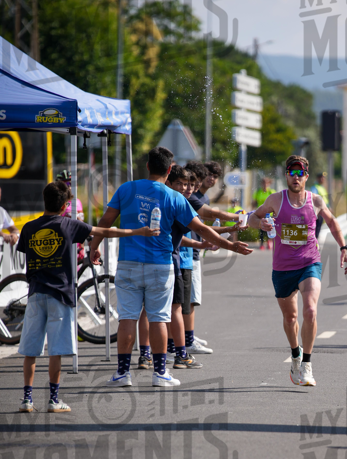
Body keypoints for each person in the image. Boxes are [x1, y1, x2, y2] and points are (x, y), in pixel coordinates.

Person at [90, 147, 252, 390]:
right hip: (160, 265)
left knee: (127, 318)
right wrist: (231, 245)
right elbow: (202, 228)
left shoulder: (126, 189)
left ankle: (123, 373)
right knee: (159, 319)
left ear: (147, 166)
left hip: (128, 264)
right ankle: (160, 373)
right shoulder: (174, 197)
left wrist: (95, 247)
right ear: (169, 170)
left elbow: (105, 222)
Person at [15, 182, 158, 413]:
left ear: (45, 200)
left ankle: (27, 399)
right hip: (60, 294)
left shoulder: (29, 228)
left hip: (35, 293)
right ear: (65, 205)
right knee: (56, 351)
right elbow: (106, 231)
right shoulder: (68, 224)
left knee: (31, 351)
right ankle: (53, 400)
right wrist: (137, 231)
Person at [248, 154, 347, 388]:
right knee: (291, 317)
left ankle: (306, 363)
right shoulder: (276, 199)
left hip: (309, 263)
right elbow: (253, 218)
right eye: (291, 173)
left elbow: (333, 222)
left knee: (311, 311)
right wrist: (261, 224)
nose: (295, 177)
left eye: (300, 173)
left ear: (306, 176)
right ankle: (295, 353)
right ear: (286, 175)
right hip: (283, 268)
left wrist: (344, 248)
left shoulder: (315, 201)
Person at [184, 159, 235, 355]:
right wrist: (233, 221)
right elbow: (204, 222)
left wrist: (212, 239)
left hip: (195, 249)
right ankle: (186, 341)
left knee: (191, 299)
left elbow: (203, 227)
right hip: (188, 251)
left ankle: (188, 336)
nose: (211, 179)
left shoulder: (202, 198)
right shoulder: (191, 197)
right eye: (208, 175)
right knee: (188, 300)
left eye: (215, 176)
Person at [253, 177, 273, 248]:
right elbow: (254, 202)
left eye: (266, 183)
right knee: (261, 229)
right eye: (263, 183)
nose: (265, 185)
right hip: (261, 214)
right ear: (261, 184)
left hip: (269, 214)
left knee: (269, 228)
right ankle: (261, 244)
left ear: (268, 184)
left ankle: (269, 241)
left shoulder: (271, 192)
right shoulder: (258, 192)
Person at [310, 172, 329, 238]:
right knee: (315, 230)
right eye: (321, 178)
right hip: (317, 212)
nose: (322, 179)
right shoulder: (315, 187)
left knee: (318, 230)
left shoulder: (322, 188)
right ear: (318, 178)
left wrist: (328, 208)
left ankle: (315, 244)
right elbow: (313, 200)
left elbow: (325, 200)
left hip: (322, 212)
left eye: (323, 178)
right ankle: (313, 245)